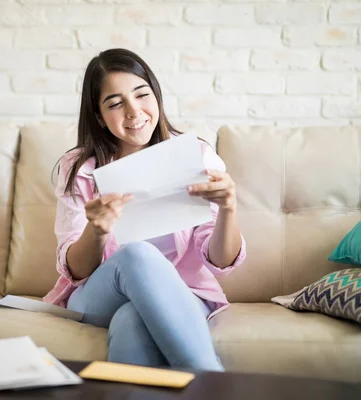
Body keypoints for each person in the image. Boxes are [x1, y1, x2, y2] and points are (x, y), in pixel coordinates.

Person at [43, 48, 246, 372]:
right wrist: (96, 230)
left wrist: (228, 209)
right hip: (97, 294)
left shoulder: (195, 155)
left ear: (157, 96)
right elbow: (76, 270)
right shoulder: (80, 168)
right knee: (137, 254)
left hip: (184, 293)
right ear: (98, 116)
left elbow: (221, 261)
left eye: (142, 95)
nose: (134, 111)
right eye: (115, 103)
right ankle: (211, 382)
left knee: (131, 319)